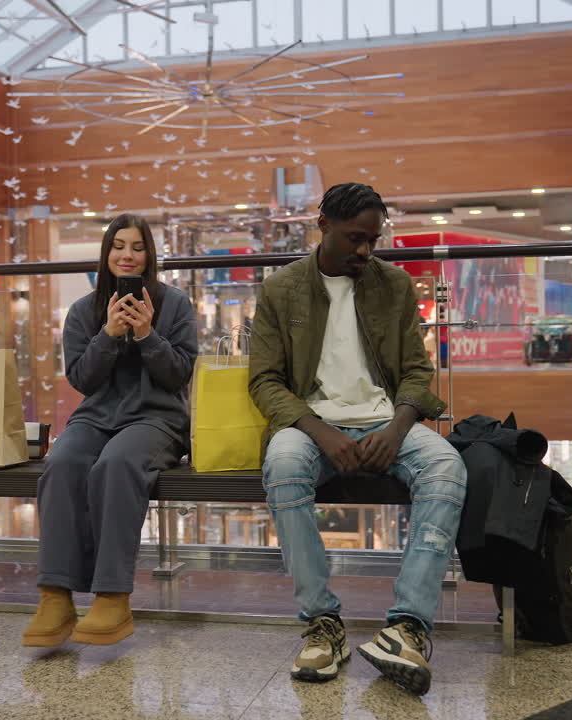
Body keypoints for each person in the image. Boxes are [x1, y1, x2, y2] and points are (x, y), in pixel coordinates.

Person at [249, 183, 467, 695]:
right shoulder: (282, 290)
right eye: (355, 239)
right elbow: (264, 379)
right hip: (308, 424)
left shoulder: (391, 284)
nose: (366, 251)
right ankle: (323, 623)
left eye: (373, 240)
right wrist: (318, 429)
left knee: (446, 466)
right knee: (282, 466)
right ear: (322, 225)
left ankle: (408, 627)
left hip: (386, 422)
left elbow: (417, 371)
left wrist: (397, 427)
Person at [22, 214, 197, 648]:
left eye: (137, 247)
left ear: (149, 255)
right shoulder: (84, 311)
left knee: (117, 464)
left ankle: (113, 597)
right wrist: (108, 334)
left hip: (158, 419)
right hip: (97, 417)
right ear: (106, 254)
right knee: (61, 464)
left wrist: (145, 333)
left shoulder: (175, 305)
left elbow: (178, 375)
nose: (127, 255)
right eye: (118, 246)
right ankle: (55, 595)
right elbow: (82, 379)